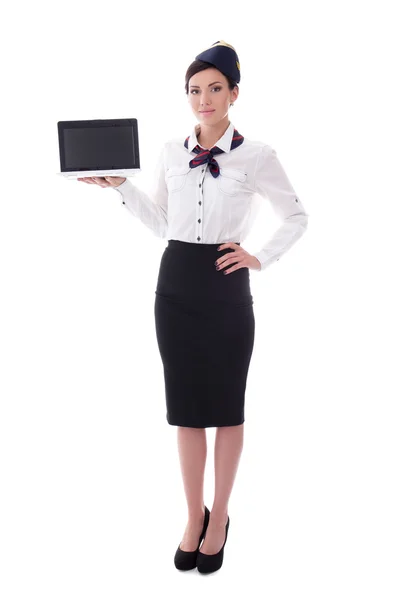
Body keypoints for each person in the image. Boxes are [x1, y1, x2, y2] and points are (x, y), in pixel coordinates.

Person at [78, 40, 309, 574]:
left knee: (227, 406)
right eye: (194, 90)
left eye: (213, 89)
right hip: (176, 285)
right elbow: (163, 224)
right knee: (185, 409)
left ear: (234, 93)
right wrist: (120, 186)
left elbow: (297, 217)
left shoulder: (257, 156)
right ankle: (192, 515)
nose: (203, 99)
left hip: (226, 287)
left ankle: (222, 514)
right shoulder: (168, 152)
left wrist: (258, 257)